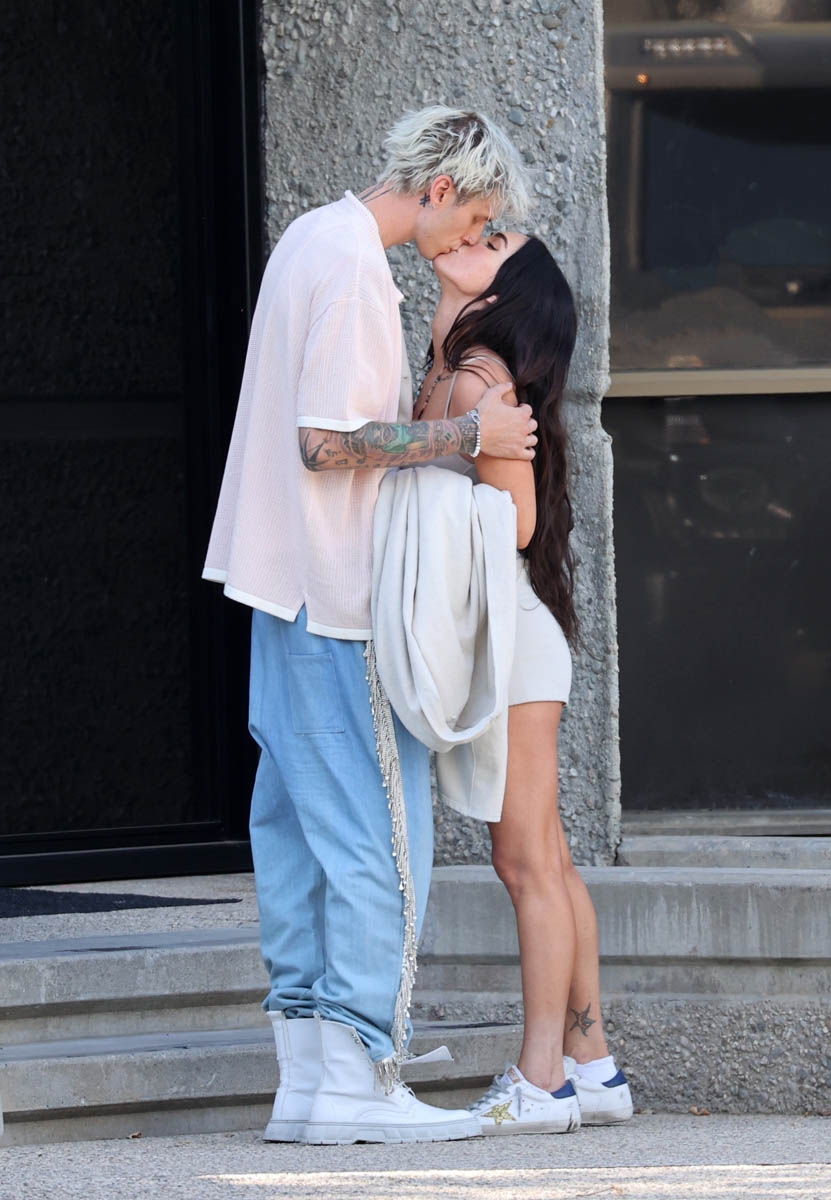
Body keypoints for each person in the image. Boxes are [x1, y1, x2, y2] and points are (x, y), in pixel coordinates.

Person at [202, 107, 537, 1146]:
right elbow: (326, 442)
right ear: (439, 188)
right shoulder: (353, 267)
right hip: (338, 596)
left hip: (279, 586)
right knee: (380, 844)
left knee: (299, 840)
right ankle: (362, 1077)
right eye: (473, 218)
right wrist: (469, 430)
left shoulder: (312, 236)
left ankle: (310, 1083)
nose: (469, 239)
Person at [415, 230, 633, 1134]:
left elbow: (516, 521)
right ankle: (594, 1064)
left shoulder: (482, 383)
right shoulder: (456, 368)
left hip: (510, 642)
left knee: (526, 863)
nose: (470, 234)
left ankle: (539, 1078)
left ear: (506, 291)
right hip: (507, 637)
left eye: (492, 239)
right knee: (548, 859)